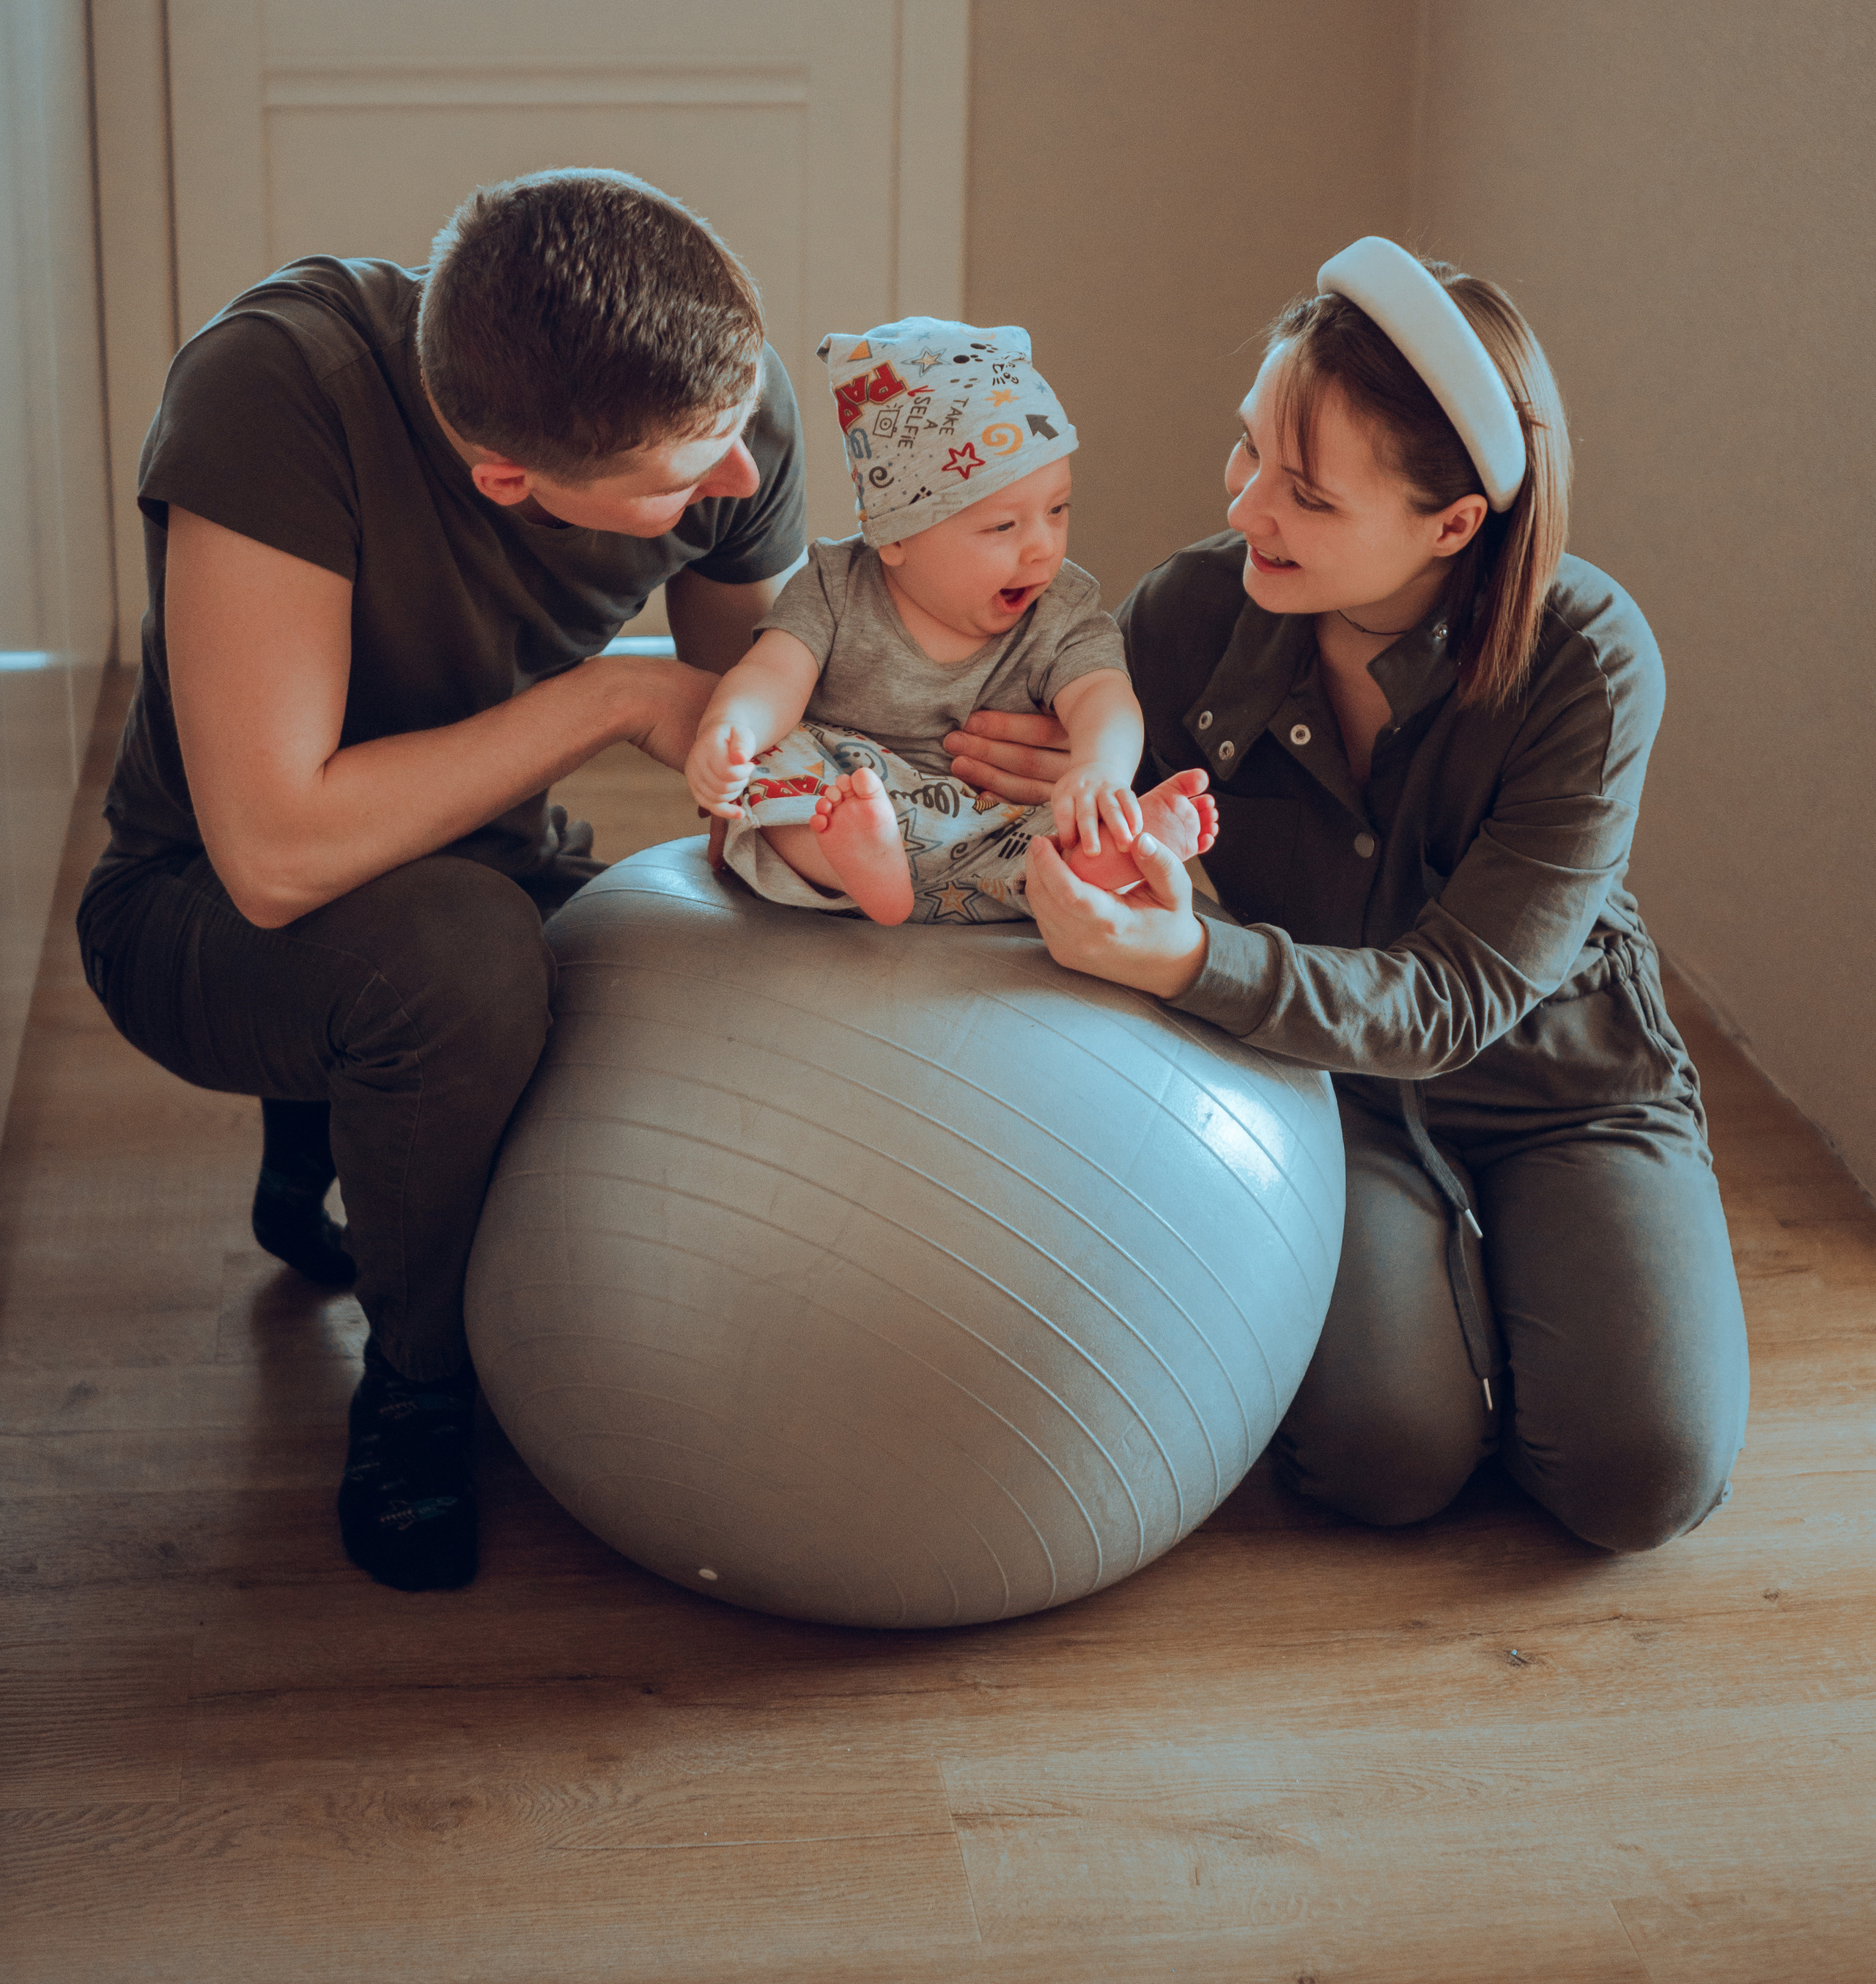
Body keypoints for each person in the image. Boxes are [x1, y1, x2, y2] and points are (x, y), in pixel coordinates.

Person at [941, 237, 1751, 1554]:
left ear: (1451, 524)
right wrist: (1065, 786)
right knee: (1383, 1457)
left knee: (1640, 1476)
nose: (1247, 505)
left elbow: (1457, 996)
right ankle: (1453, 1329)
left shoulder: (1586, 661)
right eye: (1246, 450)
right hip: (1318, 1086)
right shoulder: (1194, 613)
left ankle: (1525, 1296)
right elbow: (1081, 779)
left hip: (1561, 1081)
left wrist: (1183, 959)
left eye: (1306, 493)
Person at [76, 168, 808, 1593]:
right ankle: (417, 1382)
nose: (735, 479)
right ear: (505, 478)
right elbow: (274, 855)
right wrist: (606, 697)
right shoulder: (273, 393)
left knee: (637, 978)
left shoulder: (726, 409)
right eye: (683, 474)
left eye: (735, 436)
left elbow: (750, 698)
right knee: (460, 966)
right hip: (199, 902)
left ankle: (341, 1118)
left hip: (473, 851)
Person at [684, 317, 1216, 924]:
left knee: (1066, 821)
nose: (1043, 547)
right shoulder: (837, 585)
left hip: (999, 820)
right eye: (1003, 526)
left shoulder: (1060, 608)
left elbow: (1104, 694)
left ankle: (1113, 851)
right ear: (895, 538)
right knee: (771, 782)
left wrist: (1100, 770)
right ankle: (859, 866)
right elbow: (775, 670)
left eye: (1057, 509)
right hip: (853, 797)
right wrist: (734, 730)